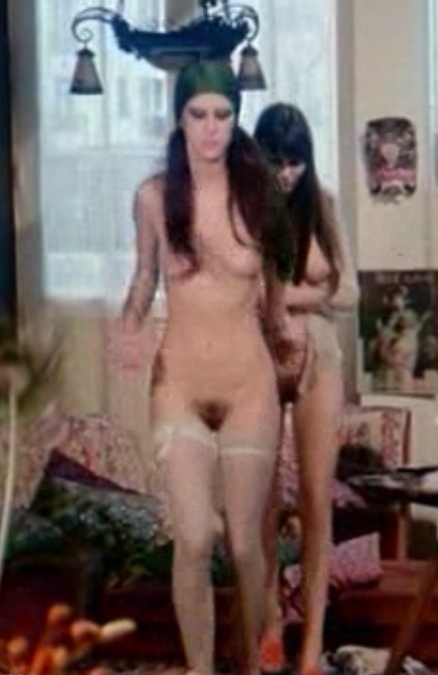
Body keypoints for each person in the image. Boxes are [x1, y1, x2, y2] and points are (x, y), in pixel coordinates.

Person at [115, 61, 294, 675]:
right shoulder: (153, 197)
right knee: (193, 537)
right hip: (180, 386)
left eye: (223, 115)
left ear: (236, 119)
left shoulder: (259, 195)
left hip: (248, 387)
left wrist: (290, 332)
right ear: (180, 119)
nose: (211, 128)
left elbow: (277, 291)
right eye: (199, 115)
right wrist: (130, 326)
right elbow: (144, 276)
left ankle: (253, 660)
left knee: (244, 545)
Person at [252, 103, 359, 675]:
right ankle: (270, 623)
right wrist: (312, 294)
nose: (286, 173)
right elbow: (242, 294)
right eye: (277, 161)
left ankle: (313, 640)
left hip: (320, 357)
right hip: (261, 359)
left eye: (295, 161)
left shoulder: (323, 204)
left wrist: (294, 298)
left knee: (317, 499)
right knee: (263, 501)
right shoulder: (244, 208)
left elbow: (351, 293)